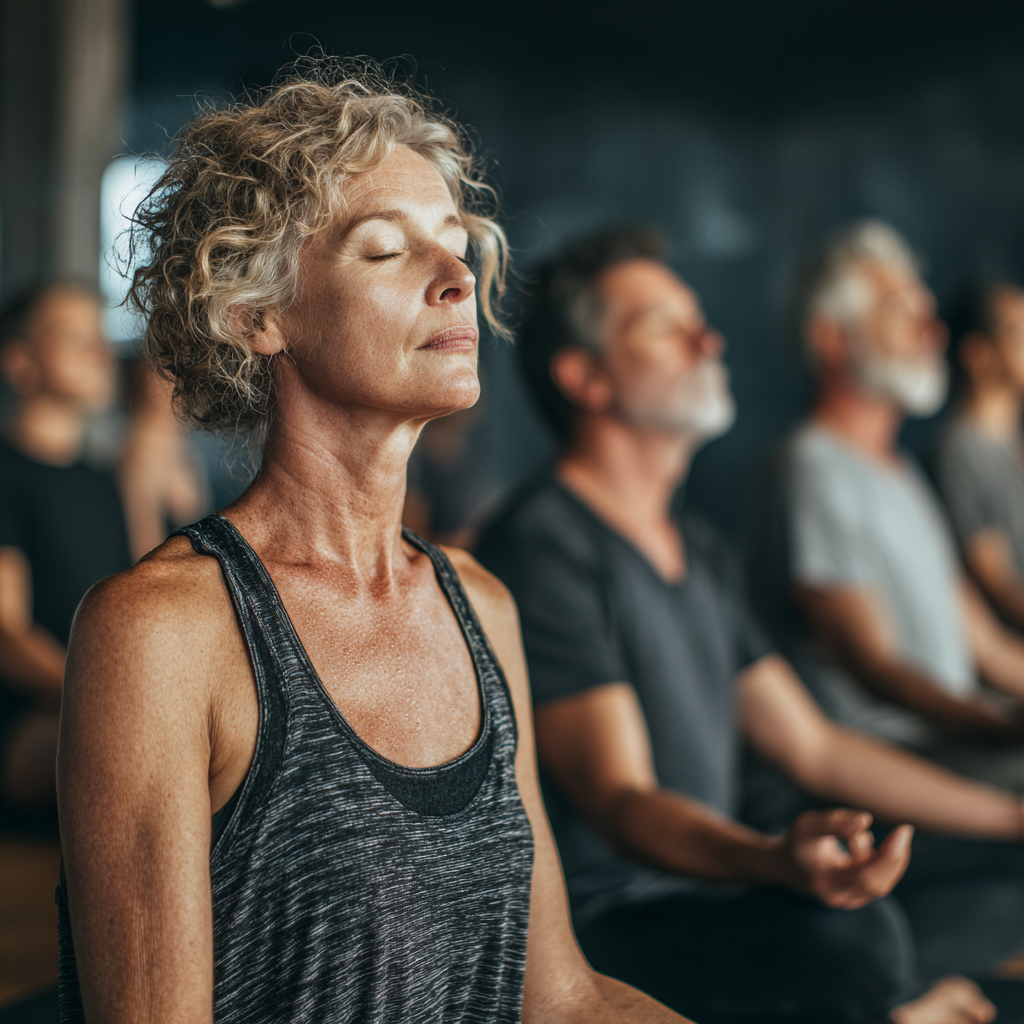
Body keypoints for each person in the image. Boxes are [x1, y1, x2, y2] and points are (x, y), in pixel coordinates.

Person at [55, 71, 691, 1024]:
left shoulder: (483, 606)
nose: (457, 276)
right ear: (257, 314)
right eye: (386, 249)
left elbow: (560, 1001)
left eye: (457, 242)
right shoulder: (162, 634)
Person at [476, 226, 1024, 1024]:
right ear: (585, 376)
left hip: (721, 887)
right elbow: (621, 799)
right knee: (858, 943)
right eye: (663, 326)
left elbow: (816, 745)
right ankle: (889, 1005)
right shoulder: (543, 546)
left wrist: (1012, 815)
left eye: (696, 318)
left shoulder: (696, 545)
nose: (708, 338)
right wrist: (769, 861)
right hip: (616, 927)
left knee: (1003, 873)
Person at [749, 220, 1024, 793]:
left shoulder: (899, 472)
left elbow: (991, 650)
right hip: (883, 767)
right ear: (832, 338)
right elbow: (874, 669)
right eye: (903, 312)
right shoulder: (812, 469)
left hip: (948, 745)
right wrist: (1000, 725)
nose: (934, 331)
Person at [0, 284, 130, 812]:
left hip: (106, 702)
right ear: (21, 363)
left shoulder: (104, 482)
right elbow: (5, 633)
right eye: (73, 337)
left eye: (98, 336)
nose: (98, 350)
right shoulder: (7, 474)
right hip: (30, 718)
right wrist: (102, 700)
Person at [935, 283, 1024, 631]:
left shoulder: (1010, 444)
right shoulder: (960, 452)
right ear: (978, 355)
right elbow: (997, 584)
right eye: (1019, 332)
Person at [120, 357, 210, 560]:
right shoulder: (139, 455)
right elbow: (145, 555)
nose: (180, 383)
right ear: (145, 380)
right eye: (170, 373)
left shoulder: (186, 449)